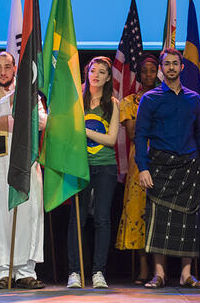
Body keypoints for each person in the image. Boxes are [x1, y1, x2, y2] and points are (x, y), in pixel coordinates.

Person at [134, 48, 200, 289]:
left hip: (189, 166)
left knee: (188, 223)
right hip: (159, 166)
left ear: (182, 67)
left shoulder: (193, 99)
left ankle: (186, 275)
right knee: (158, 222)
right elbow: (140, 136)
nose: (171, 67)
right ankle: (159, 275)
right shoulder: (149, 99)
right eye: (167, 64)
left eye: (175, 63)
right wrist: (143, 168)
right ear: (161, 69)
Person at [0, 51, 46, 289]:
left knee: (28, 214)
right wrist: (14, 99)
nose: (3, 71)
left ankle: (25, 271)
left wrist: (23, 100)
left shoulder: (31, 94)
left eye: (7, 66)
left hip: (24, 160)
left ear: (15, 69)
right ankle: (1, 272)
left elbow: (43, 121)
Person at [67, 56, 120, 289]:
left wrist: (84, 130)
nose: (96, 75)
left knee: (102, 219)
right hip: (79, 166)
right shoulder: (76, 101)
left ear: (108, 78)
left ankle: (99, 272)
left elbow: (111, 139)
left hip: (105, 166)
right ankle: (74, 272)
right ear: (86, 73)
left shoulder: (113, 104)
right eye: (92, 71)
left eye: (101, 72)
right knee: (76, 220)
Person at [115, 55, 159, 284]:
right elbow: (133, 133)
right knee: (139, 213)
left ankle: (160, 269)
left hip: (163, 158)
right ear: (139, 74)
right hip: (140, 160)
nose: (149, 75)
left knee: (159, 213)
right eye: (145, 71)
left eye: (153, 70)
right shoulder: (130, 101)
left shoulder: (166, 98)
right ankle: (143, 267)